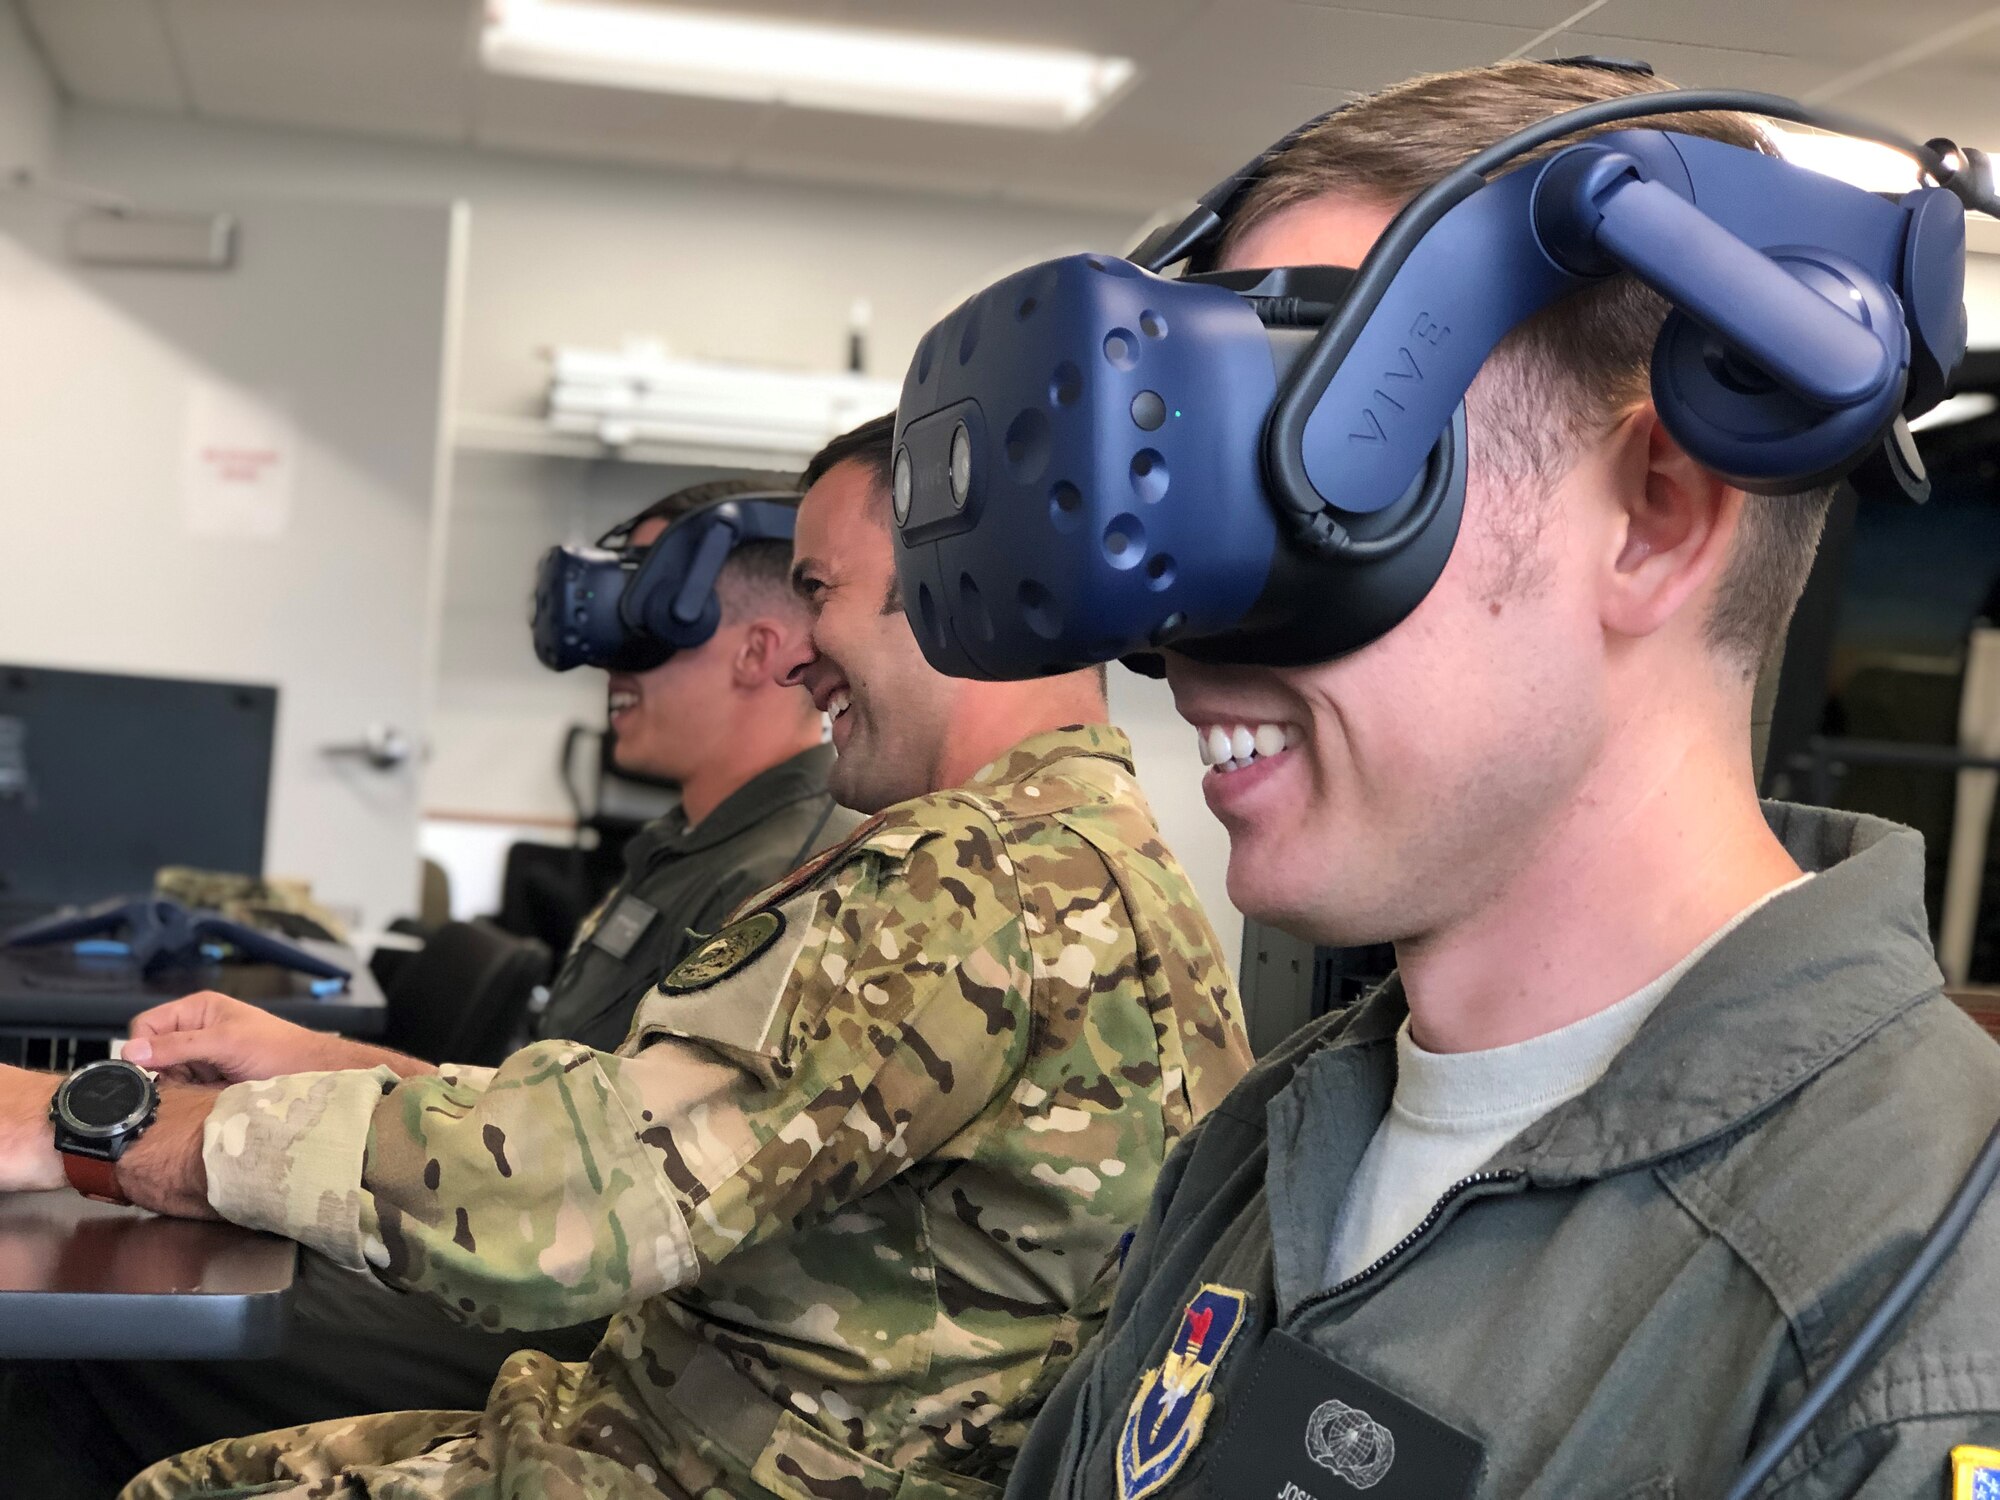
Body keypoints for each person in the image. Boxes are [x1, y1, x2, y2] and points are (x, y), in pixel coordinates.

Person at [1001, 61, 2000, 1500]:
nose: (1184, 635)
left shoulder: (1912, 1310)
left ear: (1655, 517)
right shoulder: (1276, 1133)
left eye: (1305, 496)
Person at [0, 413, 1251, 1500]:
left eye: (816, 591)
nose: (797, 646)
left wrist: (106, 1133)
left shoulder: (967, 875)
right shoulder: (1105, 861)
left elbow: (580, 1192)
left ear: (960, 582)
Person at [0, 477, 862, 1497]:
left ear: (760, 652)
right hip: (525, 1241)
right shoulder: (687, 849)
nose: (603, 670)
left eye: (642, 627)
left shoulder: (792, 875)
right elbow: (541, 1112)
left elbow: (591, 1185)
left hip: (580, 1305)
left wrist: (121, 1126)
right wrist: (313, 1059)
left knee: (90, 1343)